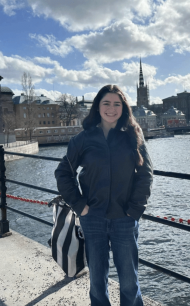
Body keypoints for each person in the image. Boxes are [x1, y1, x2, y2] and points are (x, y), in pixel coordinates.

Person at [55, 84, 153, 306]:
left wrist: (134, 210)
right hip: (93, 220)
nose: (111, 108)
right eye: (106, 103)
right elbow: (63, 173)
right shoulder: (83, 139)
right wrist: (81, 206)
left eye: (117, 104)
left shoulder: (133, 135)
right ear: (98, 107)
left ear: (123, 108)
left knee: (129, 282)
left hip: (125, 220)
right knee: (97, 282)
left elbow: (145, 174)